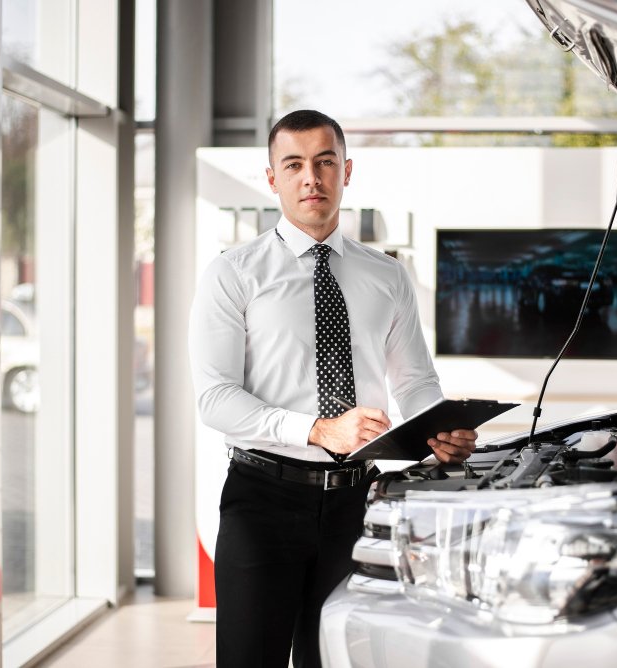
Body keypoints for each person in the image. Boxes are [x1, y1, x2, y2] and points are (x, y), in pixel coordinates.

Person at [188, 109, 478, 668]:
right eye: (294, 165)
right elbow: (215, 397)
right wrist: (317, 429)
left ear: (347, 171)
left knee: (339, 660)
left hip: (354, 503)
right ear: (272, 179)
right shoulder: (233, 274)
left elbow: (414, 380)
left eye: (325, 163)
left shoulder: (387, 276)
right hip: (261, 502)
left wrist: (437, 428)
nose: (311, 179)